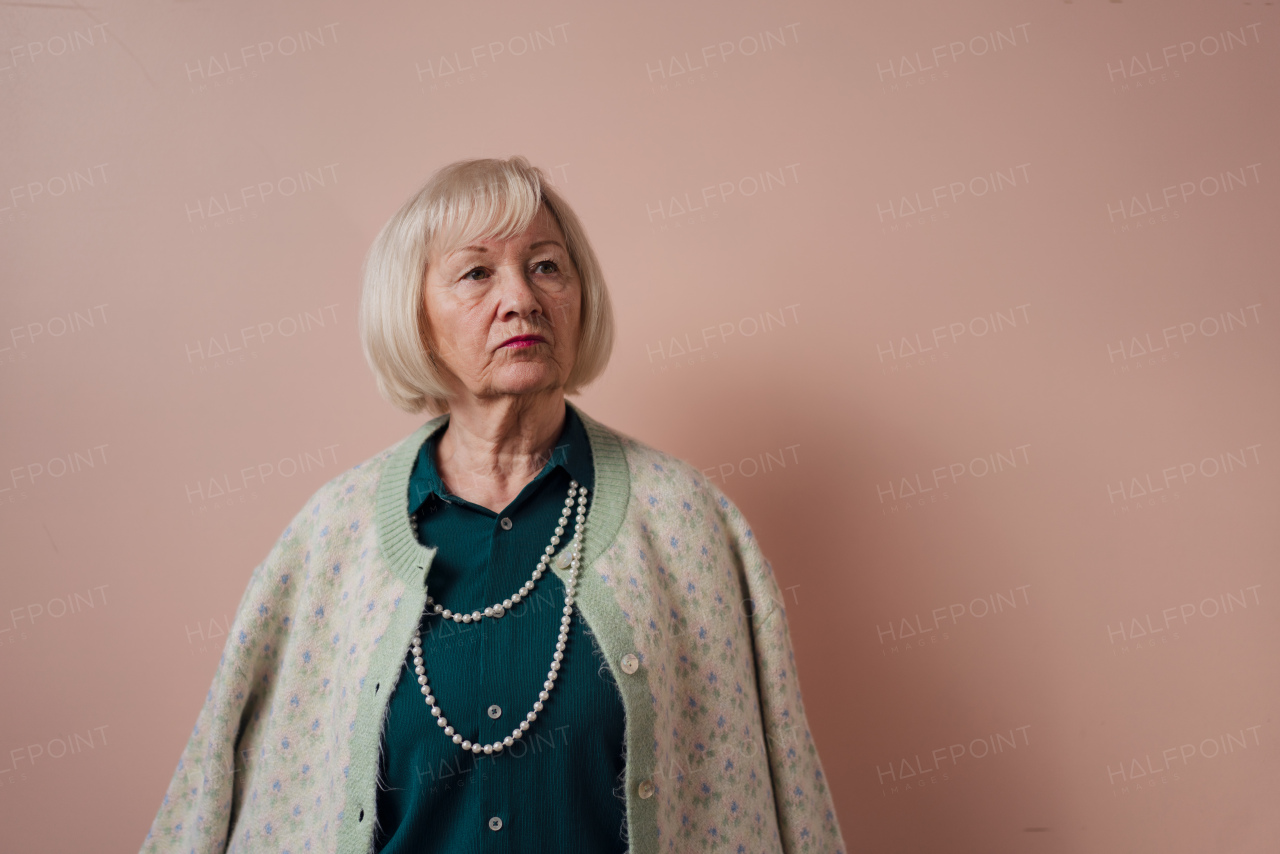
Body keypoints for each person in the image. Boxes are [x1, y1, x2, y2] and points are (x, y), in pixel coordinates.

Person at [139, 156, 847, 854]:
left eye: (545, 266)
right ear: (412, 313)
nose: (522, 298)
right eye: (477, 273)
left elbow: (776, 790)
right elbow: (218, 784)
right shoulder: (332, 535)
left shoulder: (686, 522)